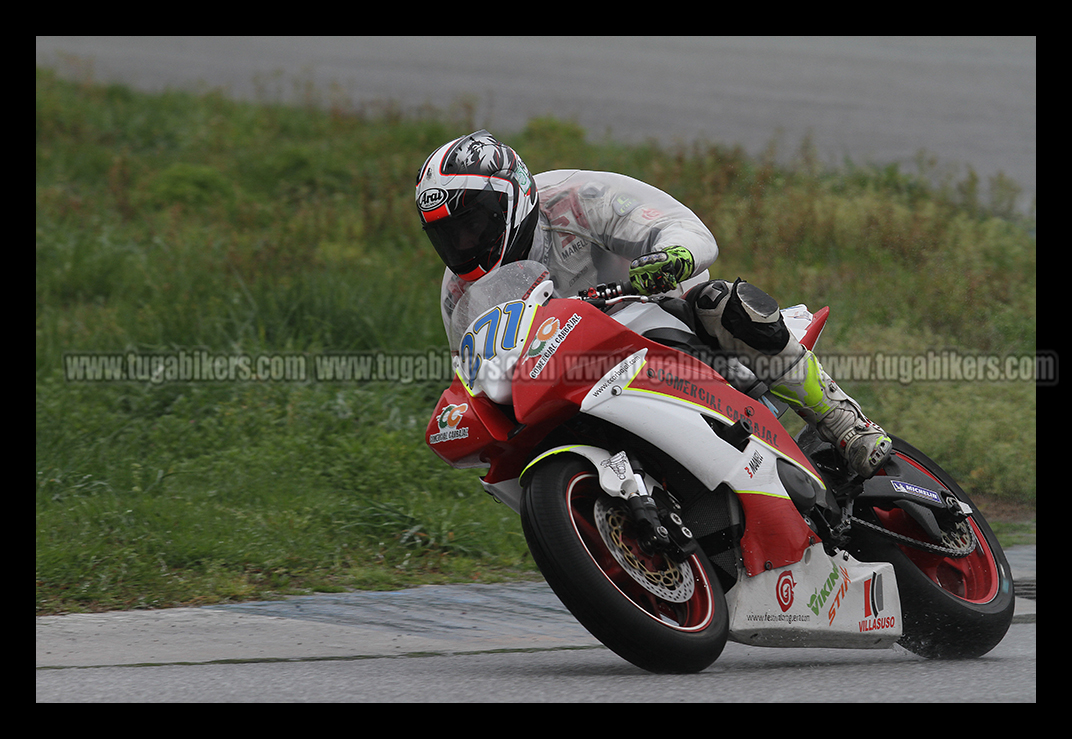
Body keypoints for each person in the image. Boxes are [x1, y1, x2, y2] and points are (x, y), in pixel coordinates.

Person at [415, 130, 892, 478]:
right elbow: (477, 374)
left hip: (656, 319)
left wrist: (669, 257)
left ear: (512, 200)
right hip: (571, 385)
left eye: (472, 225)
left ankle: (845, 423)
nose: (463, 244)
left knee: (719, 302)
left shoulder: (577, 199)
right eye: (447, 235)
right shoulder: (458, 295)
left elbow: (686, 230)